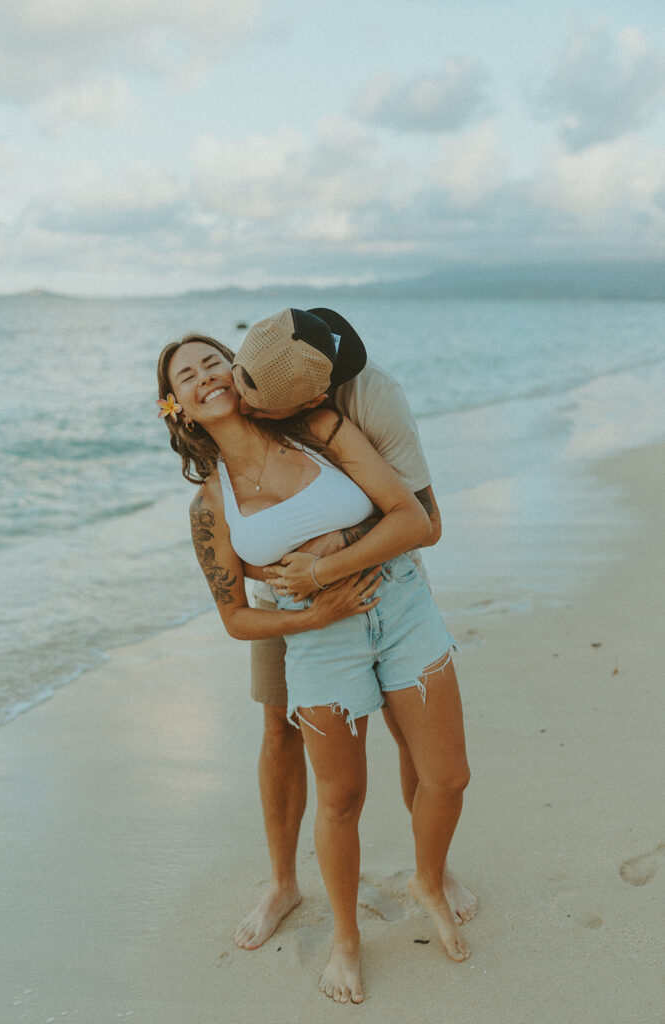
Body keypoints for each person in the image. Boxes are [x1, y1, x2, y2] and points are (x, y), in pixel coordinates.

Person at [156, 315, 471, 1004]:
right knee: (341, 796)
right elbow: (236, 616)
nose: (207, 375)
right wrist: (317, 611)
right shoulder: (209, 506)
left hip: (398, 605)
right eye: (188, 374)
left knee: (445, 775)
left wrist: (327, 567)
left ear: (240, 373)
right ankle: (343, 941)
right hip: (315, 638)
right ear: (174, 404)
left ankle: (428, 877)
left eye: (215, 361)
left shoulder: (319, 426)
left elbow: (415, 519)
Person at [230, 308, 475, 951]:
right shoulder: (242, 387)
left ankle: (434, 870)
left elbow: (427, 521)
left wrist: (334, 551)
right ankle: (283, 883)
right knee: (278, 732)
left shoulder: (370, 399)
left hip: (380, 588)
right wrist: (295, 581)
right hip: (283, 602)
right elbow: (225, 522)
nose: (239, 397)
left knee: (411, 735)